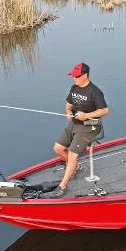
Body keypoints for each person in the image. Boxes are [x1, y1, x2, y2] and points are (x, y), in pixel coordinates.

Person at [52, 62, 109, 197]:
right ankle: (76, 167)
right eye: (73, 76)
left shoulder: (94, 91)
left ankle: (62, 186)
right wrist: (68, 112)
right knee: (58, 148)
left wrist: (86, 116)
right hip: (74, 124)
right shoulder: (74, 88)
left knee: (72, 154)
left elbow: (105, 110)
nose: (74, 78)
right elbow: (69, 105)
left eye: (77, 76)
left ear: (85, 75)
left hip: (90, 126)